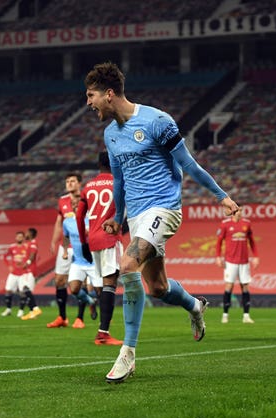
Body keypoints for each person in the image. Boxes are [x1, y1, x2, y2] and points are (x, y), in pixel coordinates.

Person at [84, 62, 238, 383]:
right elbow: (120, 183)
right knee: (158, 287)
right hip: (139, 216)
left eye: (91, 95)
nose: (88, 102)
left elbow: (189, 165)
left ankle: (128, 353)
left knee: (127, 266)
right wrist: (117, 218)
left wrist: (220, 195)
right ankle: (195, 305)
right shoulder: (110, 135)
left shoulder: (157, 121)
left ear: (109, 94)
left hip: (165, 209)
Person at [76, 150, 124, 345]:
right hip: (110, 238)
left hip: (93, 240)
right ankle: (103, 333)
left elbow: (79, 216)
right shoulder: (118, 182)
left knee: (105, 283)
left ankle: (103, 328)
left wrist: (83, 242)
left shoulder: (88, 187)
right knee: (110, 283)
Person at [47, 196, 100, 329]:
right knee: (74, 289)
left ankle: (104, 321)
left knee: (100, 290)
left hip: (93, 261)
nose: (77, 205)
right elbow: (65, 237)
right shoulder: (68, 222)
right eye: (74, 204)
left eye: (79, 203)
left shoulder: (92, 220)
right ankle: (90, 302)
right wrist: (65, 251)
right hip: (78, 261)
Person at [48, 173, 82, 323]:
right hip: (66, 246)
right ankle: (62, 317)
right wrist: (54, 241)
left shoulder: (86, 199)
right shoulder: (62, 200)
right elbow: (59, 222)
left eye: (73, 181)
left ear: (79, 183)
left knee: (80, 282)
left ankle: (80, 318)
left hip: (82, 245)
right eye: (67, 181)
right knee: (59, 280)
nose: (69, 183)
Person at [215, 206, 259, 324]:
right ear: (233, 211)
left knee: (245, 287)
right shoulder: (225, 224)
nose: (239, 212)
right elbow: (219, 242)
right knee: (229, 286)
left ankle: (246, 316)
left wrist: (255, 256)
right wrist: (218, 257)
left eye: (241, 210)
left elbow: (252, 241)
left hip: (244, 261)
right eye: (238, 210)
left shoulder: (247, 224)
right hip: (230, 261)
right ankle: (225, 315)